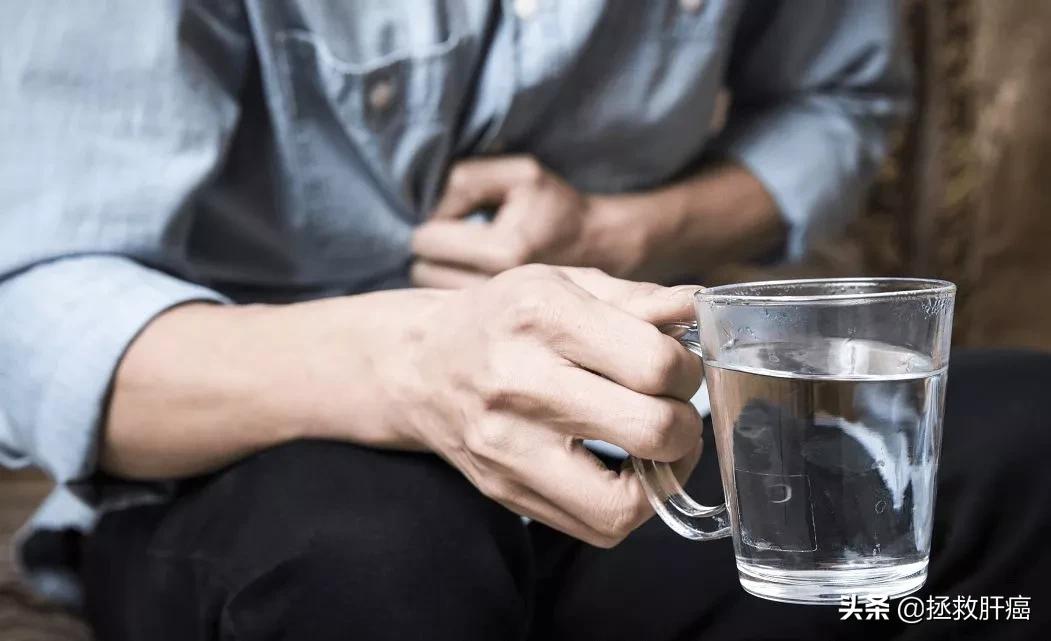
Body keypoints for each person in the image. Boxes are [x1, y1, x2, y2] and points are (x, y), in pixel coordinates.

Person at [2, 1, 1048, 639]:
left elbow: (840, 100)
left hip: (636, 451)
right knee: (378, 560)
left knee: (1031, 437)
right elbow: (33, 310)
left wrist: (622, 227)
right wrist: (416, 362)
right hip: (265, 452)